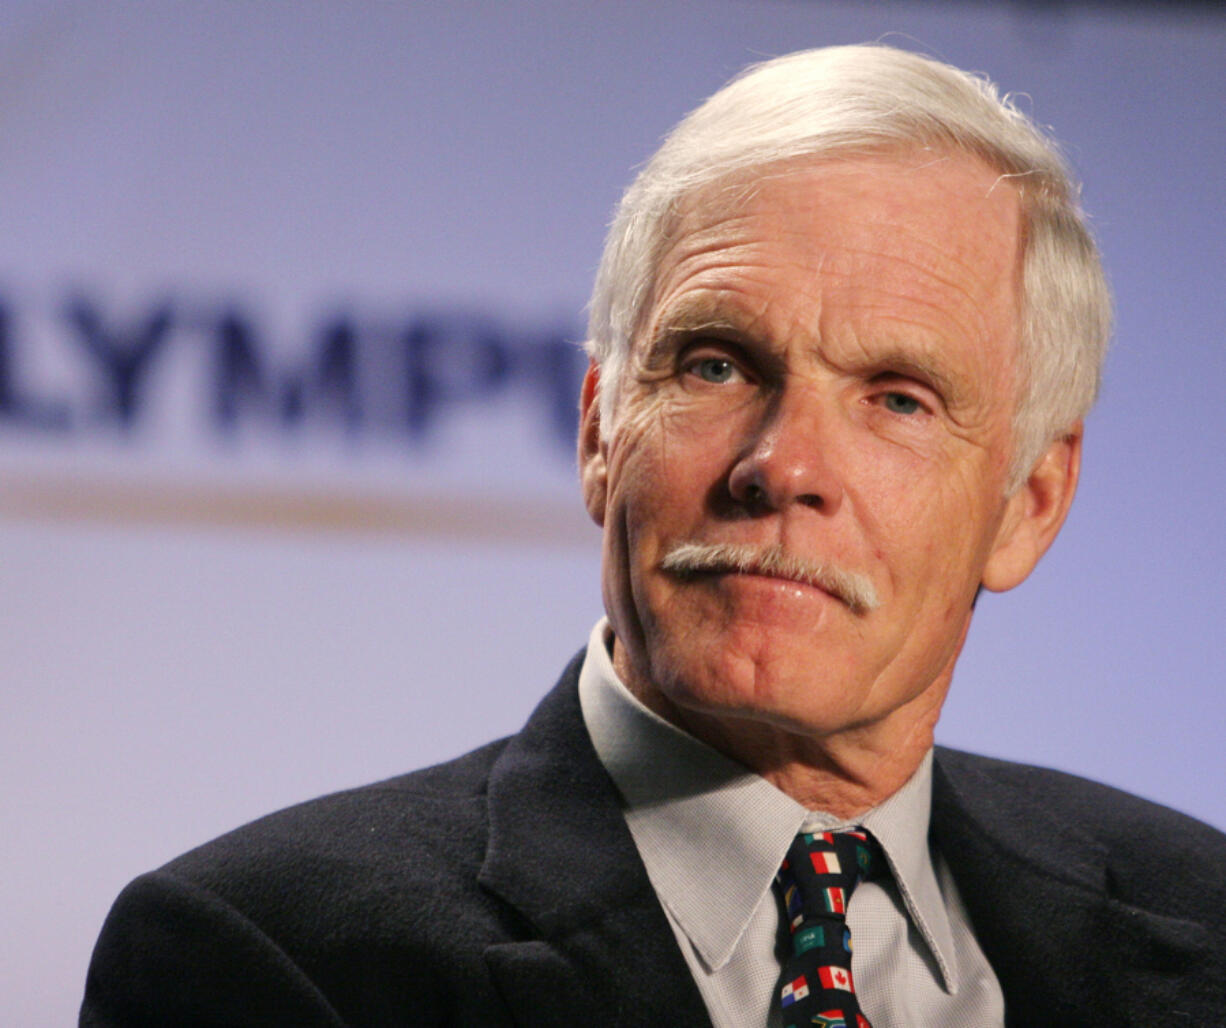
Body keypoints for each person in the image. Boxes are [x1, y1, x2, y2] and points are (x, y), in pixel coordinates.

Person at [81, 45, 1226, 1027]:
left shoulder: (1200, 916)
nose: (781, 464)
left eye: (896, 397)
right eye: (715, 363)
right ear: (598, 430)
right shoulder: (269, 957)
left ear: (1028, 501)